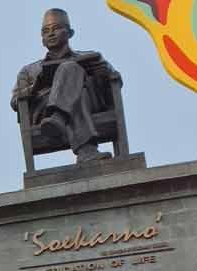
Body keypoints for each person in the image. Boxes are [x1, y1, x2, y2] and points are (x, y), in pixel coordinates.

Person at [11, 8, 121, 163]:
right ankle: (87, 151)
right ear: (42, 38)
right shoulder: (29, 70)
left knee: (71, 69)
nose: (50, 34)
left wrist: (104, 73)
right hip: (45, 111)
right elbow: (15, 101)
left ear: (70, 33)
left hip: (91, 104)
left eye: (56, 28)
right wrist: (36, 85)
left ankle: (59, 117)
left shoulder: (89, 56)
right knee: (77, 92)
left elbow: (116, 78)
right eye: (45, 31)